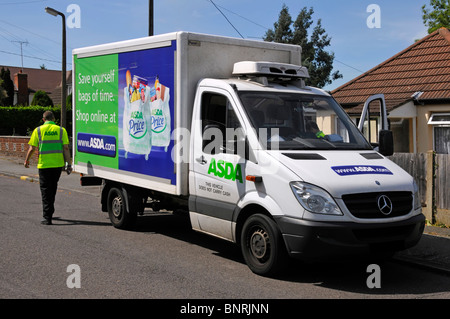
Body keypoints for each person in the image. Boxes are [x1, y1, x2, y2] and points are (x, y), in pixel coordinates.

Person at [24, 111, 72, 225]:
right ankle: (50, 211)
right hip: (57, 165)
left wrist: (27, 160)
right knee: (53, 188)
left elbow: (32, 148)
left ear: (43, 119)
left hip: (44, 165)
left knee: (45, 190)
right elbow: (66, 148)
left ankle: (47, 217)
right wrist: (68, 164)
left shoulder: (38, 130)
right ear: (54, 119)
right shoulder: (61, 130)